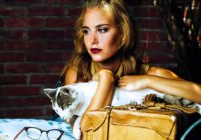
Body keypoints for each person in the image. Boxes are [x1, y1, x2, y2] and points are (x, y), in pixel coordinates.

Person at [60, 0, 201, 138]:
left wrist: (148, 81)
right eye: (86, 31)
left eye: (102, 30)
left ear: (123, 34)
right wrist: (106, 79)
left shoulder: (151, 74)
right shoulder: (78, 73)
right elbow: (85, 134)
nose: (92, 40)